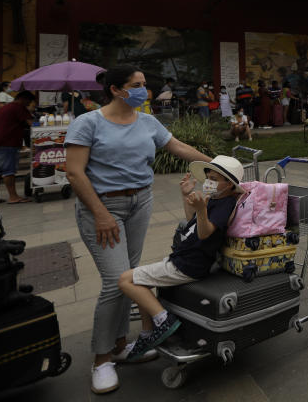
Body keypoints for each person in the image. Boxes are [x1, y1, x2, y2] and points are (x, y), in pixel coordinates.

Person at [64, 65, 211, 394]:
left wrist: (215, 165)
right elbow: (74, 173)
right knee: (116, 283)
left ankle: (119, 346)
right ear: (116, 89)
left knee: (130, 278)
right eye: (136, 85)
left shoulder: (147, 121)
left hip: (140, 204)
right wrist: (100, 214)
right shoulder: (87, 123)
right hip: (102, 208)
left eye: (145, 85)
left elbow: (179, 148)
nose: (144, 91)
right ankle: (101, 360)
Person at [116, 156, 242, 364]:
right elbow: (191, 223)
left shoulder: (225, 204)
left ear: (229, 184)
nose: (209, 182)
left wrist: (202, 209)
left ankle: (164, 320)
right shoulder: (214, 199)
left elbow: (205, 234)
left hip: (188, 265)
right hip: (182, 258)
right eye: (208, 177)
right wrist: (187, 197)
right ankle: (148, 333)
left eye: (215, 178)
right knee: (140, 282)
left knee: (125, 280)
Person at [0, 90, 36, 204]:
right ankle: (13, 196)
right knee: (9, 171)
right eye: (29, 101)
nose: (29, 104)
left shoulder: (6, 107)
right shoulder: (19, 107)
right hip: (7, 143)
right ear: (23, 99)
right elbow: (31, 123)